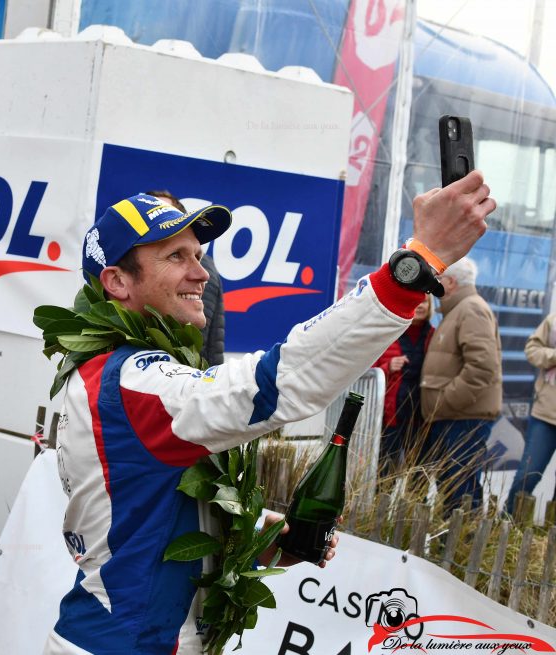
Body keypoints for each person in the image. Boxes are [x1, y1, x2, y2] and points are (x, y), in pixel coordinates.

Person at [45, 172, 494, 654]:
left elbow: (146, 513)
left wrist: (261, 537)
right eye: (176, 256)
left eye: (198, 255)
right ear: (116, 281)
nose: (202, 273)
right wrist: (414, 265)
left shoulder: (120, 372)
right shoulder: (131, 380)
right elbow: (277, 382)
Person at [419, 256, 501, 510]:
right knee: (451, 486)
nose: (435, 285)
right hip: (453, 416)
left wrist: (444, 402)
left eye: (439, 279)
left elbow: (481, 368)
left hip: (461, 418)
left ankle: (462, 546)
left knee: (460, 488)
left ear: (451, 282)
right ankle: (454, 545)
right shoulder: (458, 310)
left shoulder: (471, 309)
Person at [147, 189, 226, 364]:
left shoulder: (202, 270)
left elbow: (191, 342)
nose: (201, 275)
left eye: (162, 211)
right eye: (150, 213)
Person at [372, 295, 434, 471]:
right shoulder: (389, 333)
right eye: (415, 301)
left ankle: (412, 500)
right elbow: (369, 372)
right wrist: (388, 367)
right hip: (391, 415)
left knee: (419, 472)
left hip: (422, 417)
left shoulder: (434, 335)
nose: (420, 306)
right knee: (385, 470)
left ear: (430, 306)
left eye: (424, 302)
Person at [505, 312, 556, 514]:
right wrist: (553, 355)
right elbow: (531, 350)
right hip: (545, 414)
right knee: (527, 475)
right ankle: (506, 527)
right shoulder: (553, 320)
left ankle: (548, 541)